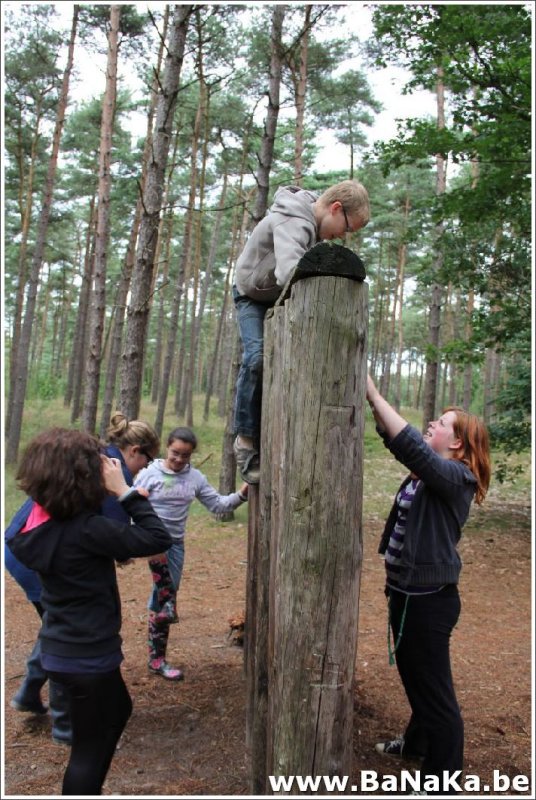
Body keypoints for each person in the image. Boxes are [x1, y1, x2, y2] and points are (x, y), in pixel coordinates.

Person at [7, 428, 172, 796]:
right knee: (88, 752)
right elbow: (159, 539)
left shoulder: (39, 529)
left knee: (119, 710)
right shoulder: (88, 531)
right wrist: (125, 492)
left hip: (64, 652)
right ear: (84, 479)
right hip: (88, 661)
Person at [366, 375, 491, 794]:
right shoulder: (428, 475)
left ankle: (443, 778)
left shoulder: (457, 479)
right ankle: (418, 743)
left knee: (434, 693)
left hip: (429, 602)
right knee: (415, 676)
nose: (431, 426)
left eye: (440, 423)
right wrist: (370, 406)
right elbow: (397, 441)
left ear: (456, 444)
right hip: (407, 595)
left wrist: (374, 392)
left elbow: (413, 449)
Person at [232, 179, 370, 483]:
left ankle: (276, 434)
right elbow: (289, 271)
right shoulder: (294, 221)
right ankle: (245, 440)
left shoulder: (313, 221)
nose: (342, 237)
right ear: (335, 208)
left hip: (277, 296)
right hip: (252, 296)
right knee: (256, 359)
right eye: (346, 228)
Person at [134, 426, 249, 680]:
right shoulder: (148, 474)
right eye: (175, 453)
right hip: (151, 540)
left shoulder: (194, 478)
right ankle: (164, 618)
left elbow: (217, 504)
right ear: (167, 448)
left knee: (164, 597)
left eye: (185, 455)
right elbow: (129, 502)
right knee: (166, 597)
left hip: (175, 544)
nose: (179, 459)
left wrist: (242, 495)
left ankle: (157, 658)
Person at [5, 499, 72, 746]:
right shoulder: (90, 467)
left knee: (53, 624)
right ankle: (64, 724)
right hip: (31, 554)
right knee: (59, 630)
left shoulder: (63, 465)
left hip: (20, 548)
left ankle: (29, 692)